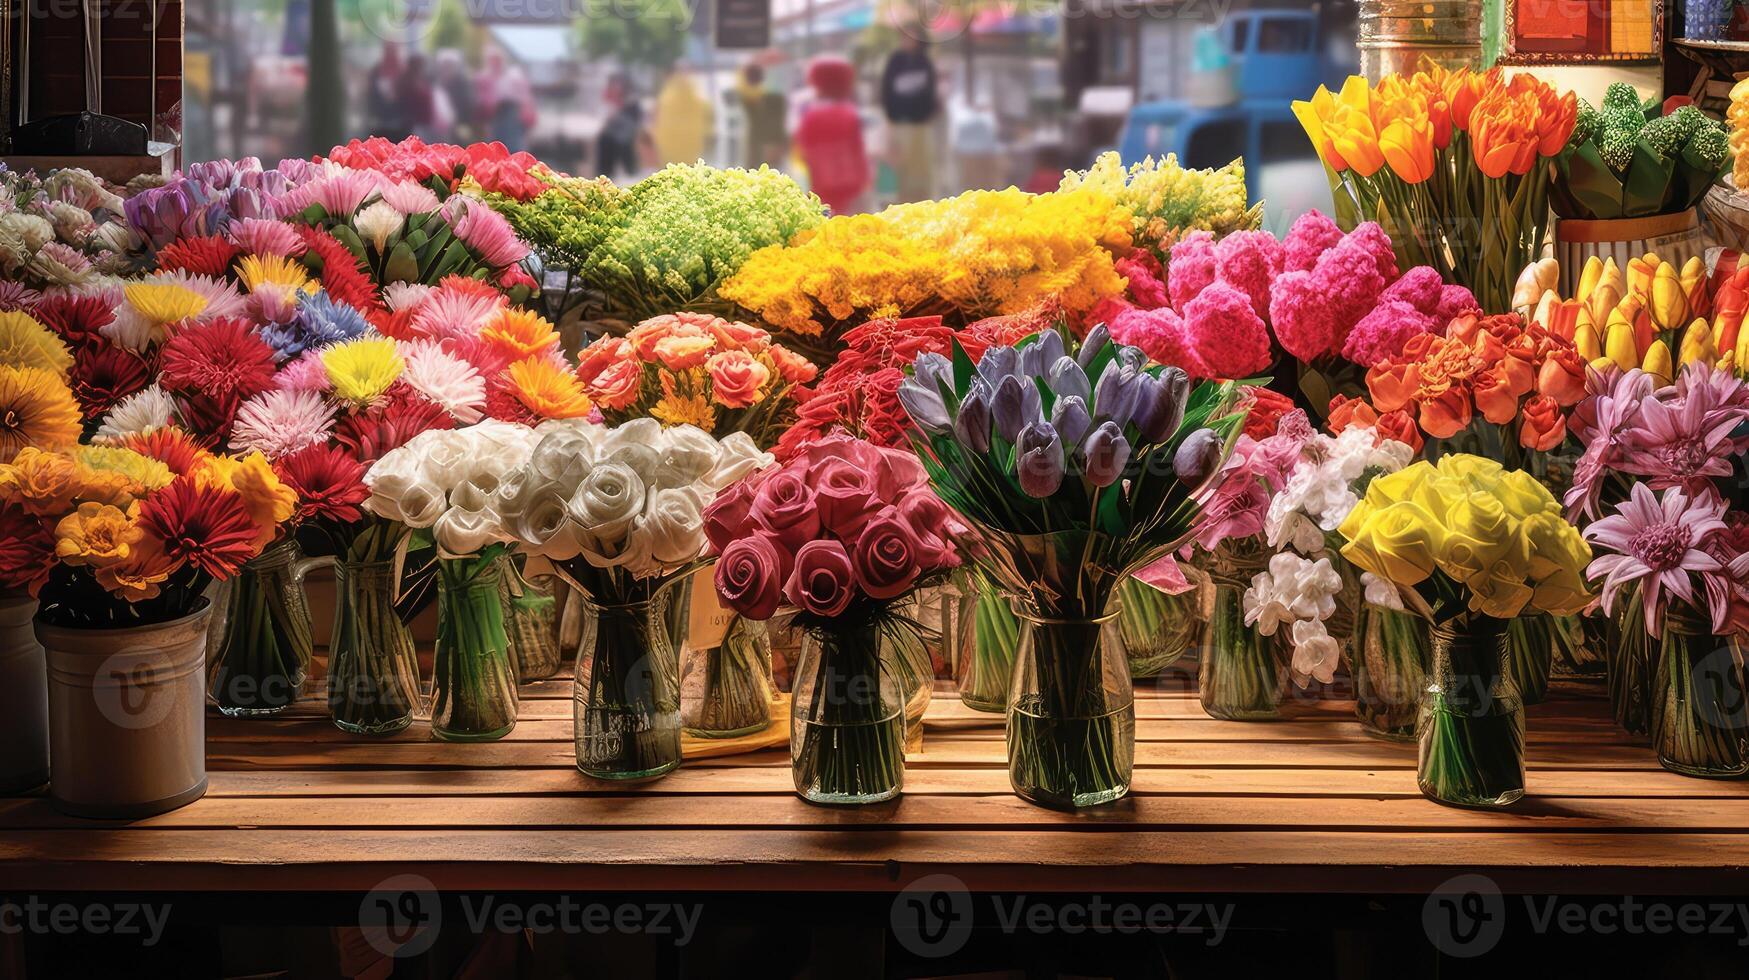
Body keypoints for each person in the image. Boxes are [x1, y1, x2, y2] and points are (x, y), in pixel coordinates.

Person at [794, 57, 868, 216]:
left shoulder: (811, 117)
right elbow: (858, 152)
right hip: (849, 186)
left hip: (819, 185)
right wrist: (863, 182)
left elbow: (803, 154)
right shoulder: (849, 114)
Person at [880, 29, 940, 203]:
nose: (906, 41)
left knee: (921, 169)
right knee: (901, 167)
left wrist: (929, 114)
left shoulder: (924, 62)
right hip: (899, 122)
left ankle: (923, 202)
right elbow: (887, 91)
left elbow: (930, 92)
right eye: (904, 38)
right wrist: (890, 119)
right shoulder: (895, 61)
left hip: (920, 123)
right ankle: (902, 202)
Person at [651, 66, 713, 166]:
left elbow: (656, 117)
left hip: (669, 145)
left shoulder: (667, 96)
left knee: (670, 173)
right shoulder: (697, 97)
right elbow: (708, 116)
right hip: (692, 144)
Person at [733, 62, 788, 170]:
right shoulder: (775, 98)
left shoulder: (749, 97)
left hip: (757, 146)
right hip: (771, 144)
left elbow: (741, 85)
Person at [597, 74, 643, 179]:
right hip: (611, 137)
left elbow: (634, 121)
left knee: (628, 162)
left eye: (618, 84)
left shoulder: (631, 101)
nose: (616, 87)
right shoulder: (610, 97)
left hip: (625, 136)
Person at [433, 49, 477, 143]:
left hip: (459, 127)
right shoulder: (437, 83)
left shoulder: (463, 85)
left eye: (449, 65)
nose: (446, 69)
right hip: (438, 131)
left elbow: (468, 106)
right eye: (444, 66)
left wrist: (460, 124)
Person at [366, 43, 407, 141]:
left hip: (401, 125)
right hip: (380, 124)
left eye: (393, 50)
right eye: (388, 50)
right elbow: (371, 96)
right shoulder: (376, 71)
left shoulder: (404, 72)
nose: (391, 53)